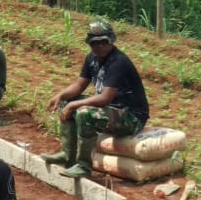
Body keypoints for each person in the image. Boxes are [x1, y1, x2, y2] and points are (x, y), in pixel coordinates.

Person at [40, 20, 150, 178]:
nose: (100, 46)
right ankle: (67, 155)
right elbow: (79, 85)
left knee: (85, 113)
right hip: (113, 109)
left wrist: (75, 105)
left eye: (104, 42)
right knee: (68, 102)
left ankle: (84, 166)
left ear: (111, 41)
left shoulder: (118, 62)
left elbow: (105, 98)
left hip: (131, 116)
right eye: (95, 43)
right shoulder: (92, 58)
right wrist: (61, 96)